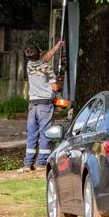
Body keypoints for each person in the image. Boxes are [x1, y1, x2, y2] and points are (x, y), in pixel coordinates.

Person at [19, 39, 64, 173]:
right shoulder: (47, 68)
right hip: (45, 105)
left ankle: (28, 163)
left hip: (33, 105)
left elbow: (44, 59)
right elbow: (55, 88)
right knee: (45, 133)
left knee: (32, 133)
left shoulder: (30, 65)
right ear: (39, 53)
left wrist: (56, 47)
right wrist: (59, 82)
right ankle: (41, 163)